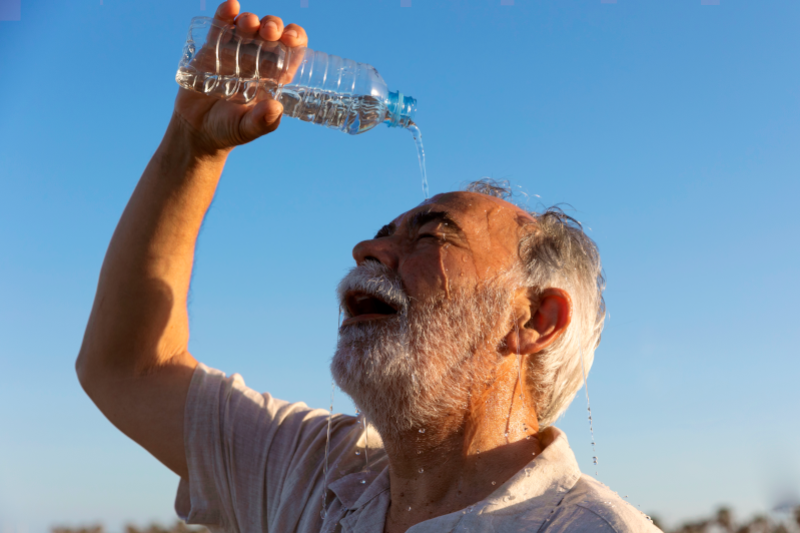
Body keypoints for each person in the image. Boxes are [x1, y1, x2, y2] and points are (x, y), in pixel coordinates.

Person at [76, 1, 660, 531]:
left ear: (535, 320)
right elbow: (128, 367)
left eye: (434, 235)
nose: (366, 250)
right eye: (382, 235)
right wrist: (192, 145)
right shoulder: (312, 472)